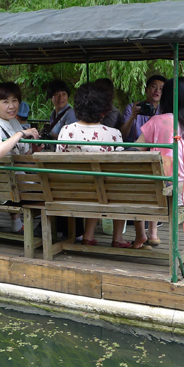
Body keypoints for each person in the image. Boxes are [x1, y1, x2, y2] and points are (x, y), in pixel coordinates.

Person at [133, 77, 184, 249]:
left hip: (153, 196)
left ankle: (141, 236)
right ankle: (152, 236)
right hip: (180, 197)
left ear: (165, 97)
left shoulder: (156, 121)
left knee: (143, 181)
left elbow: (136, 154)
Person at [56, 82, 128, 247]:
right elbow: (119, 168)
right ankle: (118, 238)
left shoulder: (65, 131)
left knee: (94, 183)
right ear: (104, 109)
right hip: (104, 193)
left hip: (69, 190)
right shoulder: (113, 134)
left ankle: (88, 235)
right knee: (115, 184)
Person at [0, 82, 41, 232]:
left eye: (14, 100)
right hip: (4, 186)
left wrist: (34, 147)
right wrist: (20, 134)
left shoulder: (13, 122)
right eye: (5, 102)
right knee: (54, 188)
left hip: (16, 181)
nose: (12, 106)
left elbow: (25, 155)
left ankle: (33, 229)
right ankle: (48, 233)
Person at [120, 74, 164, 142]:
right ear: (146, 90)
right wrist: (132, 117)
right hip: (132, 150)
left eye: (161, 89)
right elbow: (122, 135)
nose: (157, 90)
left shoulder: (164, 111)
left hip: (155, 150)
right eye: (153, 86)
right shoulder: (132, 108)